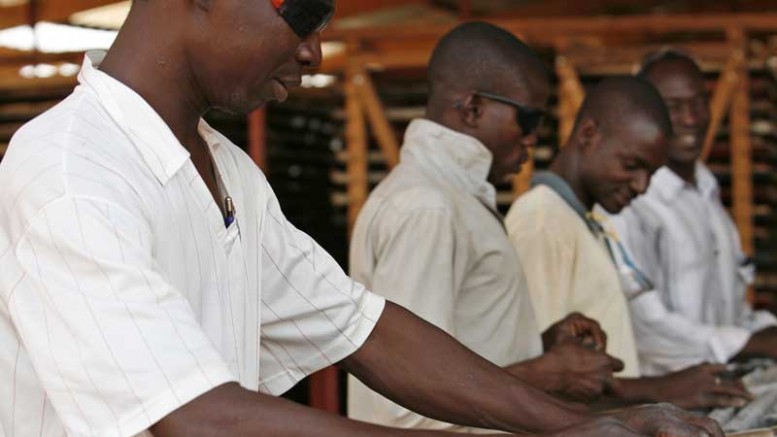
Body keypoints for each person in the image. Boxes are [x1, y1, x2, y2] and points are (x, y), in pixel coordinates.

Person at [0, 1, 721, 436]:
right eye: (305, 11)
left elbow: (360, 326)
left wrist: (582, 423)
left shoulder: (229, 173)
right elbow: (195, 417)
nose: (314, 49)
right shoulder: (71, 172)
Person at [347, 22, 625, 432]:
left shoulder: (453, 200)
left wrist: (539, 344)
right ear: (473, 108)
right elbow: (405, 406)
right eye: (527, 120)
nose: (532, 140)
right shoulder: (427, 208)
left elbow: (454, 357)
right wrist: (549, 373)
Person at [506, 76, 753, 410]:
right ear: (589, 135)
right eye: (632, 165)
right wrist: (658, 390)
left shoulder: (588, 222)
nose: (641, 186)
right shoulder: (541, 222)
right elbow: (543, 379)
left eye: (651, 173)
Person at [609, 50, 777, 376]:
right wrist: (748, 344)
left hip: (724, 384)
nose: (691, 119)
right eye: (674, 107)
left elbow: (732, 315)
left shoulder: (707, 194)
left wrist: (762, 330)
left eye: (699, 102)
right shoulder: (630, 204)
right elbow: (647, 329)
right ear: (644, 114)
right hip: (668, 403)